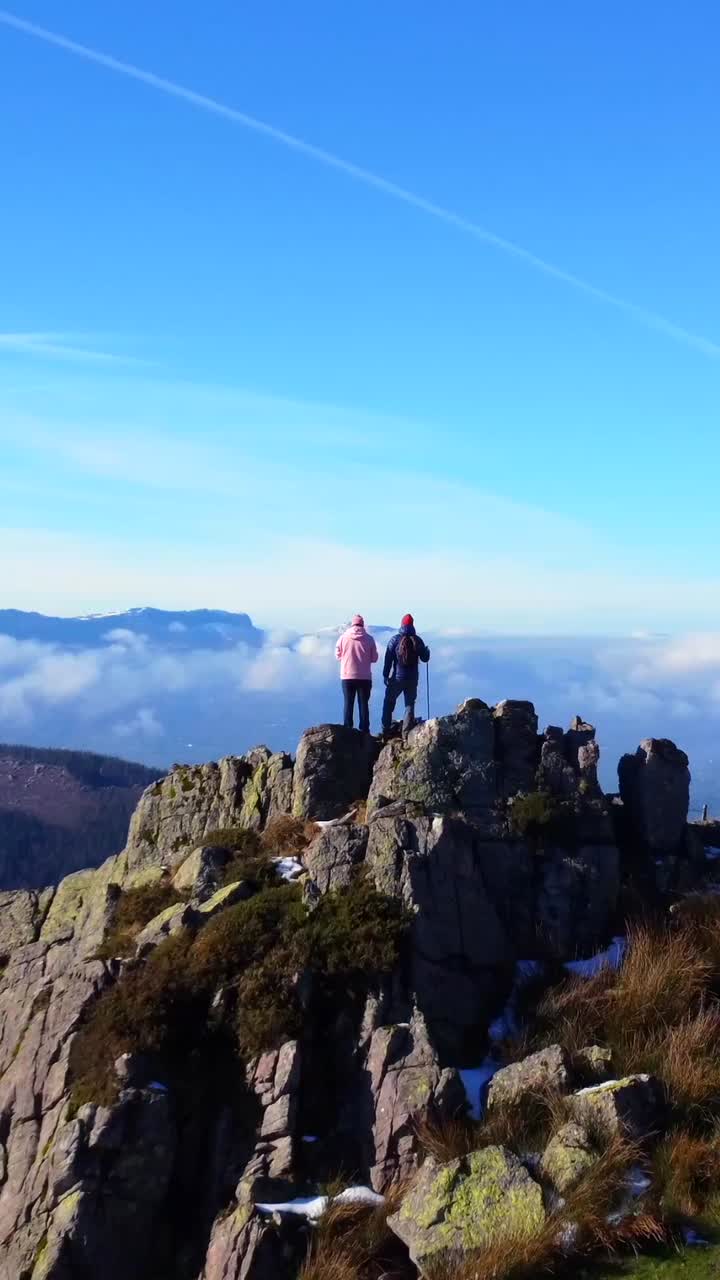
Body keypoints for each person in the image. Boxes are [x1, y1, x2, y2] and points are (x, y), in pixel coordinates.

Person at [382, 613, 430, 736]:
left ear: (402, 624)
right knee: (409, 705)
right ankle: (406, 733)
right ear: (412, 625)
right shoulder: (417, 640)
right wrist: (426, 651)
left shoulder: (394, 640)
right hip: (412, 679)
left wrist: (385, 675)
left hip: (397, 678)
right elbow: (425, 658)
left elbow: (388, 659)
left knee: (389, 701)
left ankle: (386, 730)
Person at [335, 614, 378, 732]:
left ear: (352, 624)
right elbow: (374, 658)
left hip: (347, 676)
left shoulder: (343, 638)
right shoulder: (369, 639)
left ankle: (347, 730)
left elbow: (337, 655)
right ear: (362, 624)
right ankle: (364, 731)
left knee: (348, 703)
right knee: (363, 704)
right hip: (365, 677)